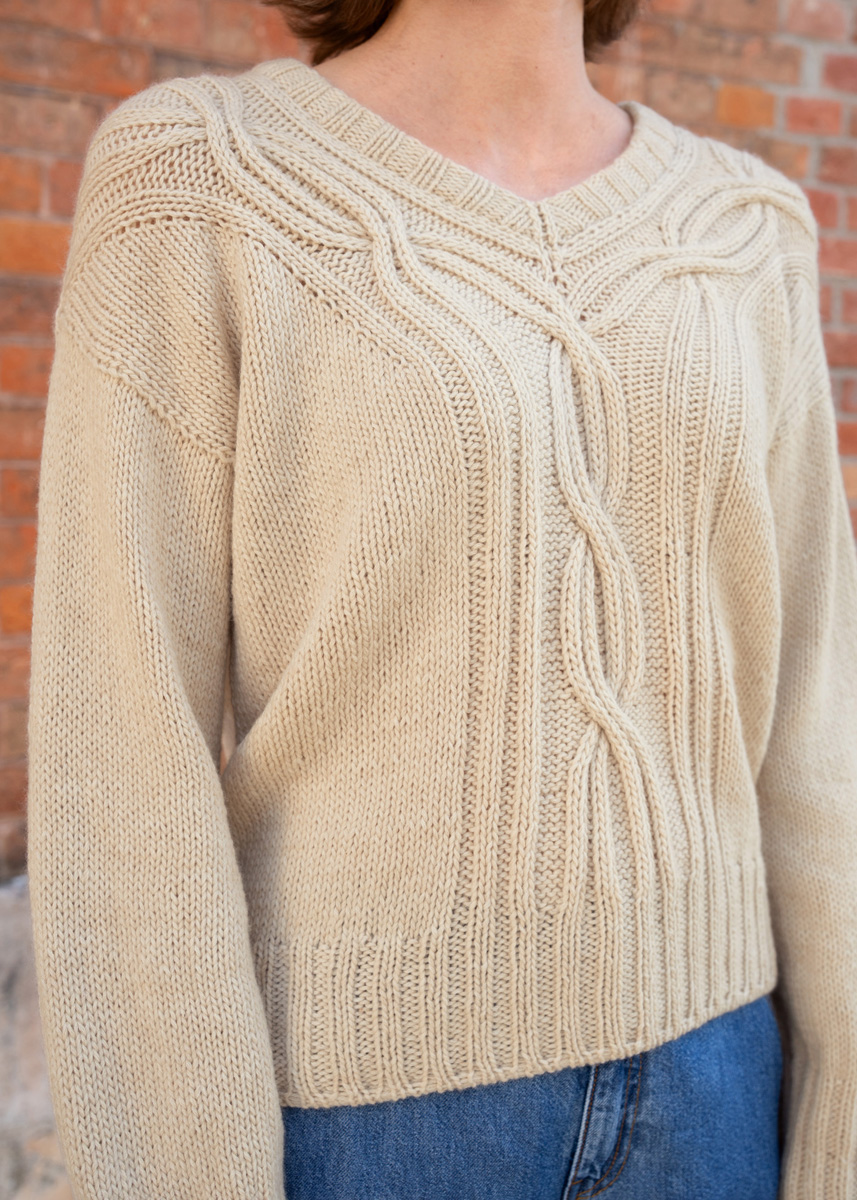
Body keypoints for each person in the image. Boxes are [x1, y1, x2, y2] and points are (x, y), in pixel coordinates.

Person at [25, 0, 857, 1194]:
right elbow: (120, 749)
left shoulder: (745, 227)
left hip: (719, 1084)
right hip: (373, 1120)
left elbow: (817, 716)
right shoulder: (201, 179)